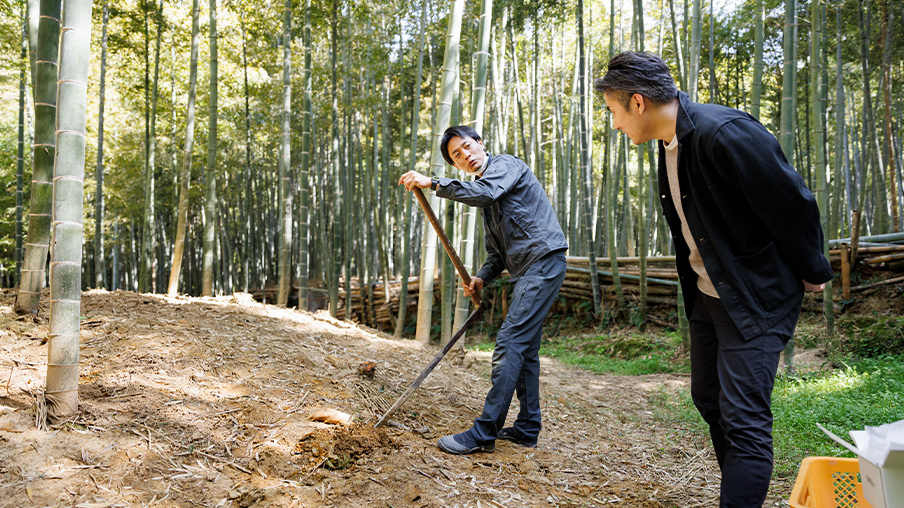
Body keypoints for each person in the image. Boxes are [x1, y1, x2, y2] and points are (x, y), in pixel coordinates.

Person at [595, 52, 833, 508]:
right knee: (708, 397)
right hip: (709, 292)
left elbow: (792, 202)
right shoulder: (669, 144)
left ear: (638, 103)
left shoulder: (723, 132)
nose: (615, 124)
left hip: (755, 294)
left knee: (743, 419)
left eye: (613, 111)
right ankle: (739, 490)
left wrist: (813, 269)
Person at [398, 125, 568, 455]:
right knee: (524, 350)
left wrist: (433, 183)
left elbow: (485, 193)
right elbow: (497, 253)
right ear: (456, 165)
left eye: (467, 146)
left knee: (509, 343)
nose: (466, 156)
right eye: (457, 156)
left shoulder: (504, 166)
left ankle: (484, 433)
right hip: (527, 270)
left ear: (480, 142)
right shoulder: (487, 201)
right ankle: (527, 427)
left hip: (542, 261)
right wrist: (481, 278)